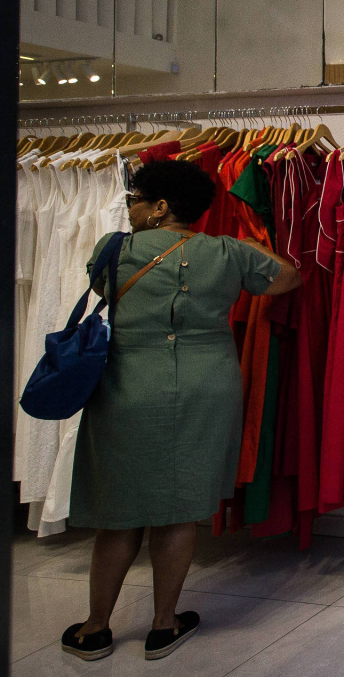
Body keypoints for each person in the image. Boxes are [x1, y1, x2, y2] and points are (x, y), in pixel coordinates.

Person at [62, 160, 301, 662]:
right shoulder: (226, 252)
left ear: (160, 206)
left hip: (129, 385)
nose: (130, 209)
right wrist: (248, 244)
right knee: (179, 512)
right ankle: (164, 625)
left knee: (119, 514)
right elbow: (287, 278)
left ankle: (96, 627)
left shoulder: (114, 251)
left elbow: (104, 293)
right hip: (205, 385)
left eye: (136, 200)